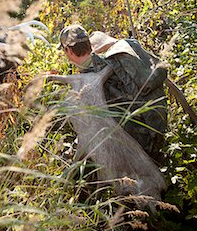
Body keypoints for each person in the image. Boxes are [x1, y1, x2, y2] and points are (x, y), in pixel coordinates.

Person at [58, 24, 168, 163]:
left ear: (68, 50)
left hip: (136, 150)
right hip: (157, 135)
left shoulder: (87, 84)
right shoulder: (116, 59)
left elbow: (90, 132)